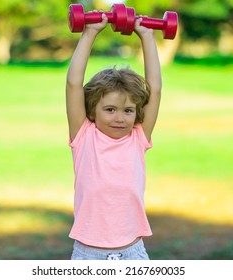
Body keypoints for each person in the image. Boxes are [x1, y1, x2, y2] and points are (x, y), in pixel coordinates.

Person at [66, 13, 162, 260]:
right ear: (92, 111)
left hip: (132, 251)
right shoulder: (84, 136)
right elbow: (73, 84)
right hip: (89, 254)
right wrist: (90, 33)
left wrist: (148, 37)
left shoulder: (138, 137)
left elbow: (156, 88)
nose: (120, 118)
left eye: (128, 111)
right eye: (110, 110)